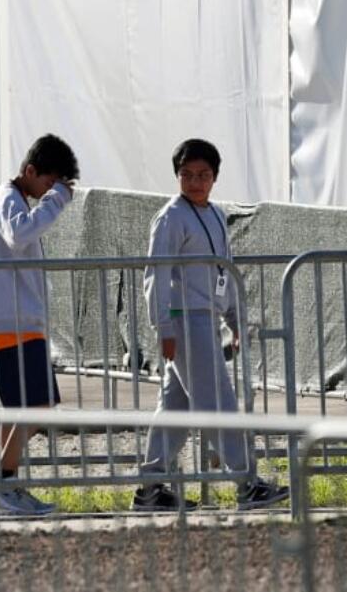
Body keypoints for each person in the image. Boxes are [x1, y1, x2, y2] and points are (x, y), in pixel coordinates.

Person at [134, 139, 289, 512]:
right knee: (219, 403)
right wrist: (164, 329)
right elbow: (156, 275)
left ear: (215, 177)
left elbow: (226, 270)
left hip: (206, 319)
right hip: (185, 320)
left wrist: (235, 320)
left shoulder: (217, 214)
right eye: (187, 175)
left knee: (177, 408)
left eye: (203, 175)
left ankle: (151, 487)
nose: (195, 181)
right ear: (177, 176)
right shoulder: (170, 217)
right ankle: (246, 482)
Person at [0, 133, 78, 515]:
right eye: (48, 183)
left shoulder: (12, 199)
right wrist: (56, 200)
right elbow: (19, 235)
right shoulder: (6, 198)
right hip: (11, 324)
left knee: (23, 408)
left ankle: (7, 486)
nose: (51, 192)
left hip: (19, 321)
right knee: (36, 408)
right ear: (31, 171)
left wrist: (50, 197)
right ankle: (3, 481)